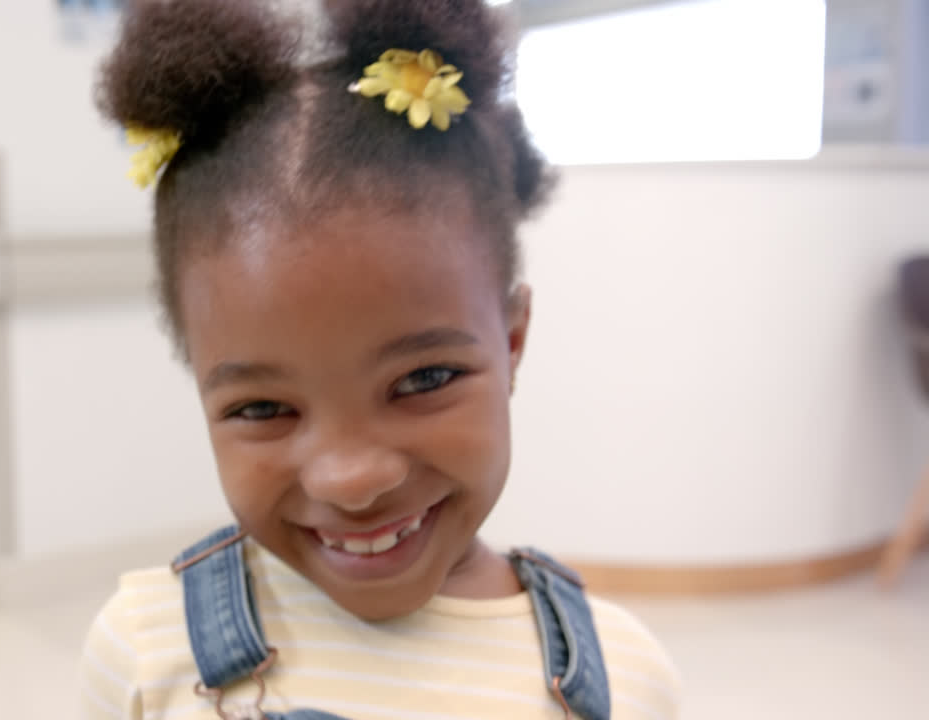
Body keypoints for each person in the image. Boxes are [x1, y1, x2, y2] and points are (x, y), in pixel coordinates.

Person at [80, 0, 681, 718]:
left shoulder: (624, 676)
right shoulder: (146, 649)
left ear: (512, 340)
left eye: (423, 380)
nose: (352, 478)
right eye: (263, 408)